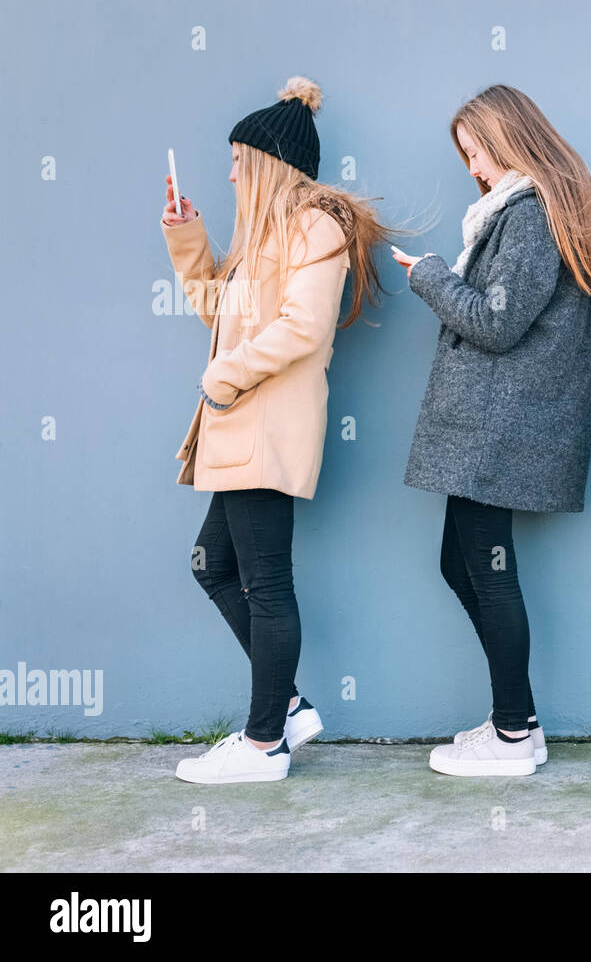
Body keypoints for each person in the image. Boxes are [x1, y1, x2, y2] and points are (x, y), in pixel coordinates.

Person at [162, 77, 394, 784]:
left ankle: (265, 743)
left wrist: (222, 379)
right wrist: (187, 237)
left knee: (267, 584)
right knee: (213, 563)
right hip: (238, 429)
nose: (230, 171)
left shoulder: (314, 225)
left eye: (238, 159)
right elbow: (218, 314)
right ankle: (286, 707)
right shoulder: (260, 232)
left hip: (262, 428)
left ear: (268, 160)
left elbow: (306, 327)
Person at [394, 84, 591, 777]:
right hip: (494, 425)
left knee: (487, 570)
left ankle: (515, 732)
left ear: (506, 139)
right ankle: (515, 721)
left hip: (499, 427)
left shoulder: (527, 214)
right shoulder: (530, 209)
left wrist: (428, 275)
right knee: (464, 563)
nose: (473, 169)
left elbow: (496, 319)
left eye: (476, 152)